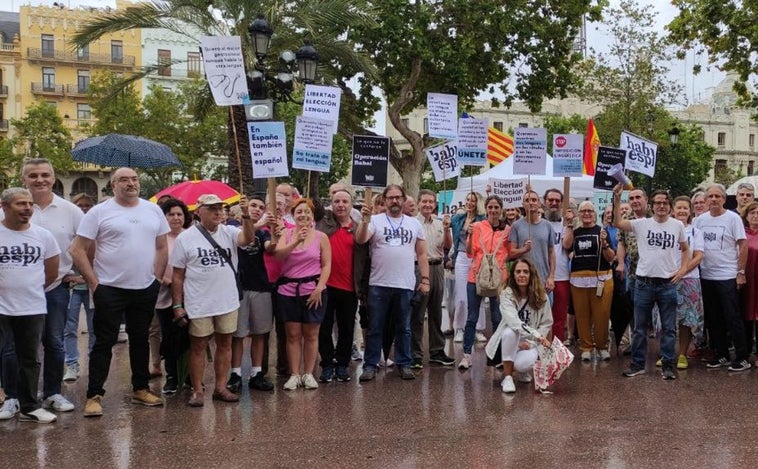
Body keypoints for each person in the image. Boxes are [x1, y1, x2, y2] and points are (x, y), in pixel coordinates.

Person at [70, 167, 169, 417]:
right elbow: (77, 249)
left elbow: (161, 246)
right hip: (109, 288)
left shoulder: (153, 209)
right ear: (112, 185)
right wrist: (93, 283)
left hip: (144, 287)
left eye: (134, 179)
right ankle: (94, 395)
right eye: (123, 180)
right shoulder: (99, 212)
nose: (130, 183)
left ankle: (141, 388)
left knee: (140, 339)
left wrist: (156, 277)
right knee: (104, 342)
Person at [0, 160, 82, 414]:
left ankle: (52, 393)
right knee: (11, 347)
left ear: (53, 177)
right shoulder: (3, 212)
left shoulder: (71, 211)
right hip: (10, 293)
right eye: (33, 175)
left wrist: (77, 274)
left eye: (45, 175)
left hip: (54, 288)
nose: (40, 180)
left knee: (54, 342)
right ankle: (13, 396)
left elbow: (86, 244)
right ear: (23, 178)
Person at [170, 194, 255, 406]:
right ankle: (197, 390)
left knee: (225, 344)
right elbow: (177, 275)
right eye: (211, 209)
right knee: (198, 346)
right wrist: (178, 306)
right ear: (198, 211)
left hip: (227, 301)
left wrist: (246, 215)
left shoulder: (229, 232)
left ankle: (220, 387)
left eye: (221, 208)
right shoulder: (185, 238)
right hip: (199, 303)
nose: (218, 212)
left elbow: (248, 239)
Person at [613, 187, 689, 379]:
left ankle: (668, 365)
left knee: (669, 328)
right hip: (643, 283)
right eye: (658, 202)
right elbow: (617, 222)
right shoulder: (641, 224)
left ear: (669, 206)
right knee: (639, 328)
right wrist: (616, 198)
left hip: (667, 284)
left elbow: (686, 249)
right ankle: (638, 364)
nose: (661, 205)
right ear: (652, 205)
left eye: (665, 202)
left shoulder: (677, 226)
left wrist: (683, 270)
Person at [356, 184, 429, 382]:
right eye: (391, 197)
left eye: (398, 197)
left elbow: (422, 254)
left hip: (405, 284)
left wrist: (425, 279)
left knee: (404, 327)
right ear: (385, 200)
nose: (395, 201)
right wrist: (364, 220)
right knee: (375, 327)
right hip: (379, 283)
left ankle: (404, 364)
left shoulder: (414, 224)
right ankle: (370, 365)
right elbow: (361, 240)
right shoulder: (375, 220)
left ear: (404, 200)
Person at [0, 188, 60, 423]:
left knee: (30, 359)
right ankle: (9, 399)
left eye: (29, 204)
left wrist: (29, 288)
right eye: (20, 204)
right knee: (6, 354)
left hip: (32, 306)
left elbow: (52, 271)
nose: (27, 208)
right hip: (1, 307)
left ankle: (29, 406)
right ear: (4, 206)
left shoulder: (43, 236)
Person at [272, 198, 332, 390]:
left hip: (312, 290)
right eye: (299, 212)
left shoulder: (321, 236)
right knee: (292, 334)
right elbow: (279, 255)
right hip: (288, 291)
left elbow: (326, 264)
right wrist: (296, 240)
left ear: (312, 216)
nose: (303, 215)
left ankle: (308, 373)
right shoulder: (286, 233)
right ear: (293, 215)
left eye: (307, 212)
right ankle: (294, 374)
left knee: (312, 334)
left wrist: (319, 288)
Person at [693, 184, 751, 371]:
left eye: (718, 196)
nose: (714, 199)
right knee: (714, 318)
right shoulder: (700, 220)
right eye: (711, 196)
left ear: (724, 199)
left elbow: (743, 245)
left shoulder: (732, 218)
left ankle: (742, 356)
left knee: (733, 317)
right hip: (707, 275)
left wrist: (740, 272)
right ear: (707, 199)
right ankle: (722, 354)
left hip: (727, 275)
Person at [315, 188, 368, 382]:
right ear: (331, 203)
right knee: (324, 327)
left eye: (345, 201)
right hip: (325, 286)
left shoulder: (357, 229)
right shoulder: (323, 222)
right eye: (337, 201)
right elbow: (313, 198)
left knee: (346, 329)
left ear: (351, 204)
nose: (341, 205)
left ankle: (342, 364)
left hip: (349, 287)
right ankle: (327, 364)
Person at [227, 194, 277, 393]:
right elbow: (241, 237)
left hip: (261, 286)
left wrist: (276, 237)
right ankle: (236, 372)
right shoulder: (231, 227)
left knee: (260, 332)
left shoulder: (264, 232)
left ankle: (257, 372)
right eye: (252, 206)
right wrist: (251, 220)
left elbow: (269, 247)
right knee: (238, 334)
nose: (256, 209)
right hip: (238, 288)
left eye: (260, 207)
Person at [458, 195, 510, 370]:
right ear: (486, 209)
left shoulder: (507, 230)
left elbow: (509, 252)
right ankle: (467, 355)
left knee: (497, 318)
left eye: (496, 207)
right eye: (490, 207)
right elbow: (469, 252)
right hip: (476, 277)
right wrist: (470, 235)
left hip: (498, 280)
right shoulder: (478, 227)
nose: (493, 211)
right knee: (472, 317)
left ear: (501, 209)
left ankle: (496, 356)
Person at [486, 259, 552, 393]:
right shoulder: (506, 294)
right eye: (518, 272)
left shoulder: (542, 296)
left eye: (525, 272)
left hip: (530, 343)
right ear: (513, 275)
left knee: (523, 365)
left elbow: (546, 323)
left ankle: (521, 371)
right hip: (508, 340)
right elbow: (514, 322)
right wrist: (536, 336)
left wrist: (531, 343)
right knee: (510, 332)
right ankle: (508, 377)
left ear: (531, 275)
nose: (522, 275)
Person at [563, 201, 615, 361]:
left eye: (590, 211)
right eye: (583, 211)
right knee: (582, 315)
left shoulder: (602, 231)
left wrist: (605, 244)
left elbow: (611, 257)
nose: (586, 214)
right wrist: (570, 225)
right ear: (578, 213)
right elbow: (566, 245)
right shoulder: (575, 232)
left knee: (602, 315)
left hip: (601, 278)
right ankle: (586, 347)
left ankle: (602, 346)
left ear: (595, 214)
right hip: (579, 279)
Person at [411, 190, 454, 369]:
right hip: (420, 268)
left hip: (438, 267)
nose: (428, 205)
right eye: (424, 202)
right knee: (418, 312)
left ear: (435, 204)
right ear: (419, 203)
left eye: (431, 202)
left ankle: (437, 351)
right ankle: (415, 353)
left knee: (436, 311)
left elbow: (447, 246)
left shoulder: (439, 223)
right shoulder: (413, 223)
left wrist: (446, 229)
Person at [153, 198, 191, 395]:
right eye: (171, 214)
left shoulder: (191, 236)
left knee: (189, 337)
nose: (176, 218)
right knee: (169, 337)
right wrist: (167, 281)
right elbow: (152, 266)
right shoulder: (158, 238)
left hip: (190, 295)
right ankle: (172, 377)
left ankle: (190, 376)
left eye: (179, 214)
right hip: (165, 296)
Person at [63, 193, 97, 383]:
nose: (83, 209)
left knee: (94, 328)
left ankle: (93, 362)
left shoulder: (95, 232)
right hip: (71, 287)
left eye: (86, 205)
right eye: (79, 205)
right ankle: (72, 364)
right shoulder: (68, 230)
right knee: (69, 328)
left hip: (91, 286)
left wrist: (88, 277)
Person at [672, 196, 704, 369]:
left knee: (686, 319)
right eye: (679, 208)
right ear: (673, 210)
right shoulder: (667, 229)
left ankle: (682, 354)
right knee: (666, 318)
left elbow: (699, 255)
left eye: (685, 208)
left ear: (690, 211)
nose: (682, 211)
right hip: (667, 279)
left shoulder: (695, 232)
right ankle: (667, 353)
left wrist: (683, 270)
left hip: (689, 279)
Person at [449, 192, 485, 343]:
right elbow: (449, 225)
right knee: (461, 296)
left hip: (477, 257)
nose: (470, 203)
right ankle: (460, 328)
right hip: (462, 257)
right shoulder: (458, 218)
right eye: (468, 199)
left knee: (478, 293)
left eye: (473, 200)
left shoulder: (483, 220)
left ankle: (477, 328)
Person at [508, 190, 556, 294]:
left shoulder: (548, 226)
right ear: (523, 204)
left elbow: (552, 253)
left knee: (545, 309)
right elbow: (511, 253)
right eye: (527, 200)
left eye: (534, 200)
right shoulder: (516, 226)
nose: (531, 202)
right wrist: (524, 249)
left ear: (539, 203)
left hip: (544, 280)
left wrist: (551, 276)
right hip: (523, 282)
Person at [741, 201, 758, 361]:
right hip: (745, 280)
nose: (755, 216)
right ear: (746, 216)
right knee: (744, 316)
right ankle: (744, 353)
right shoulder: (742, 234)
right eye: (752, 213)